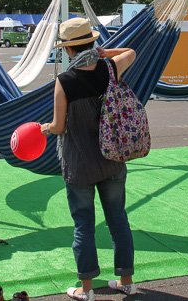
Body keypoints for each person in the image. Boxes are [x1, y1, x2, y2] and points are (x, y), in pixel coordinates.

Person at [40, 18, 138, 301]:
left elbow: (59, 127)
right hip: (112, 158)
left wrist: (43, 127)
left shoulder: (65, 81)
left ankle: (86, 290)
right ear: (93, 43)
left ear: (69, 50)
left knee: (83, 224)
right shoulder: (110, 69)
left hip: (79, 162)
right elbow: (130, 51)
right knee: (118, 219)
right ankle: (127, 282)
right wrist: (103, 53)